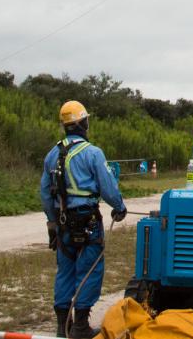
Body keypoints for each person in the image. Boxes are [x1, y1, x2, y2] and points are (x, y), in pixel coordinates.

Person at [40, 100, 128, 339]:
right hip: (87, 220)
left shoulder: (52, 155)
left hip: (63, 223)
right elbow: (108, 187)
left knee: (65, 271)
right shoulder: (92, 153)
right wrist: (119, 207)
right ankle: (79, 327)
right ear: (83, 123)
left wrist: (51, 223)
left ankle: (62, 326)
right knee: (90, 269)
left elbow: (45, 192)